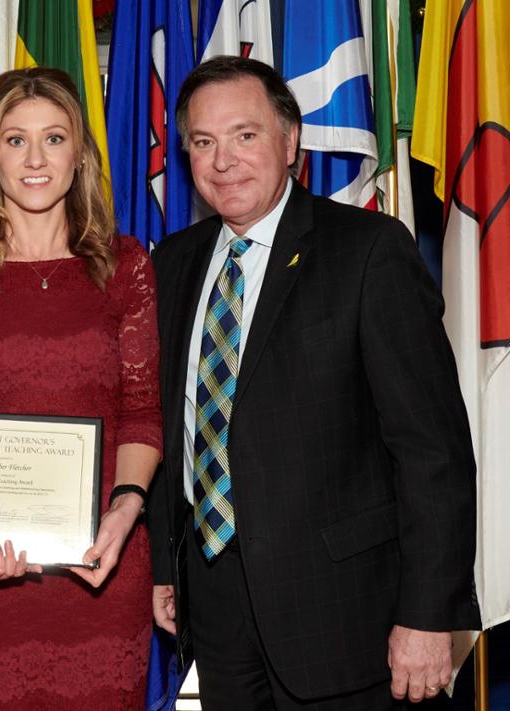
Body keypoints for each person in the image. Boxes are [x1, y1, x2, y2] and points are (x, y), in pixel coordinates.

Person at [147, 55, 480, 710]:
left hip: (350, 619)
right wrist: (167, 566)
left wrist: (428, 614)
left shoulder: (369, 251)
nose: (223, 161)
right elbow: (170, 425)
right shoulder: (173, 265)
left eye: (244, 135)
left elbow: (432, 450)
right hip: (216, 614)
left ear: (290, 141)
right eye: (203, 142)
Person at [0, 67, 162, 710]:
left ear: (79, 156)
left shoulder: (126, 267)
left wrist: (124, 513)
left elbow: (143, 413)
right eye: (15, 140)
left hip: (104, 566)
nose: (36, 158)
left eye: (54, 138)